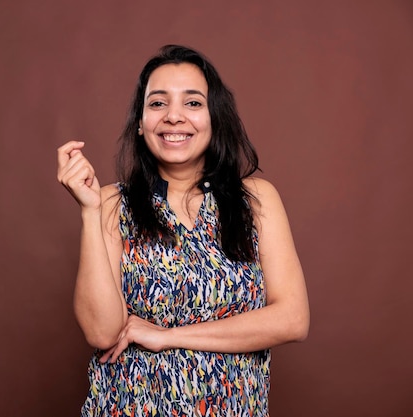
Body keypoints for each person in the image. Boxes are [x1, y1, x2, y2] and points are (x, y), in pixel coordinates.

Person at [57, 45, 309, 417]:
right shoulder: (111, 203)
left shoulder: (256, 199)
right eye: (158, 104)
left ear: (215, 118)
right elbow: (101, 333)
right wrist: (90, 210)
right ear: (140, 124)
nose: (174, 117)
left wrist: (167, 337)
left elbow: (292, 318)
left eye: (192, 103)